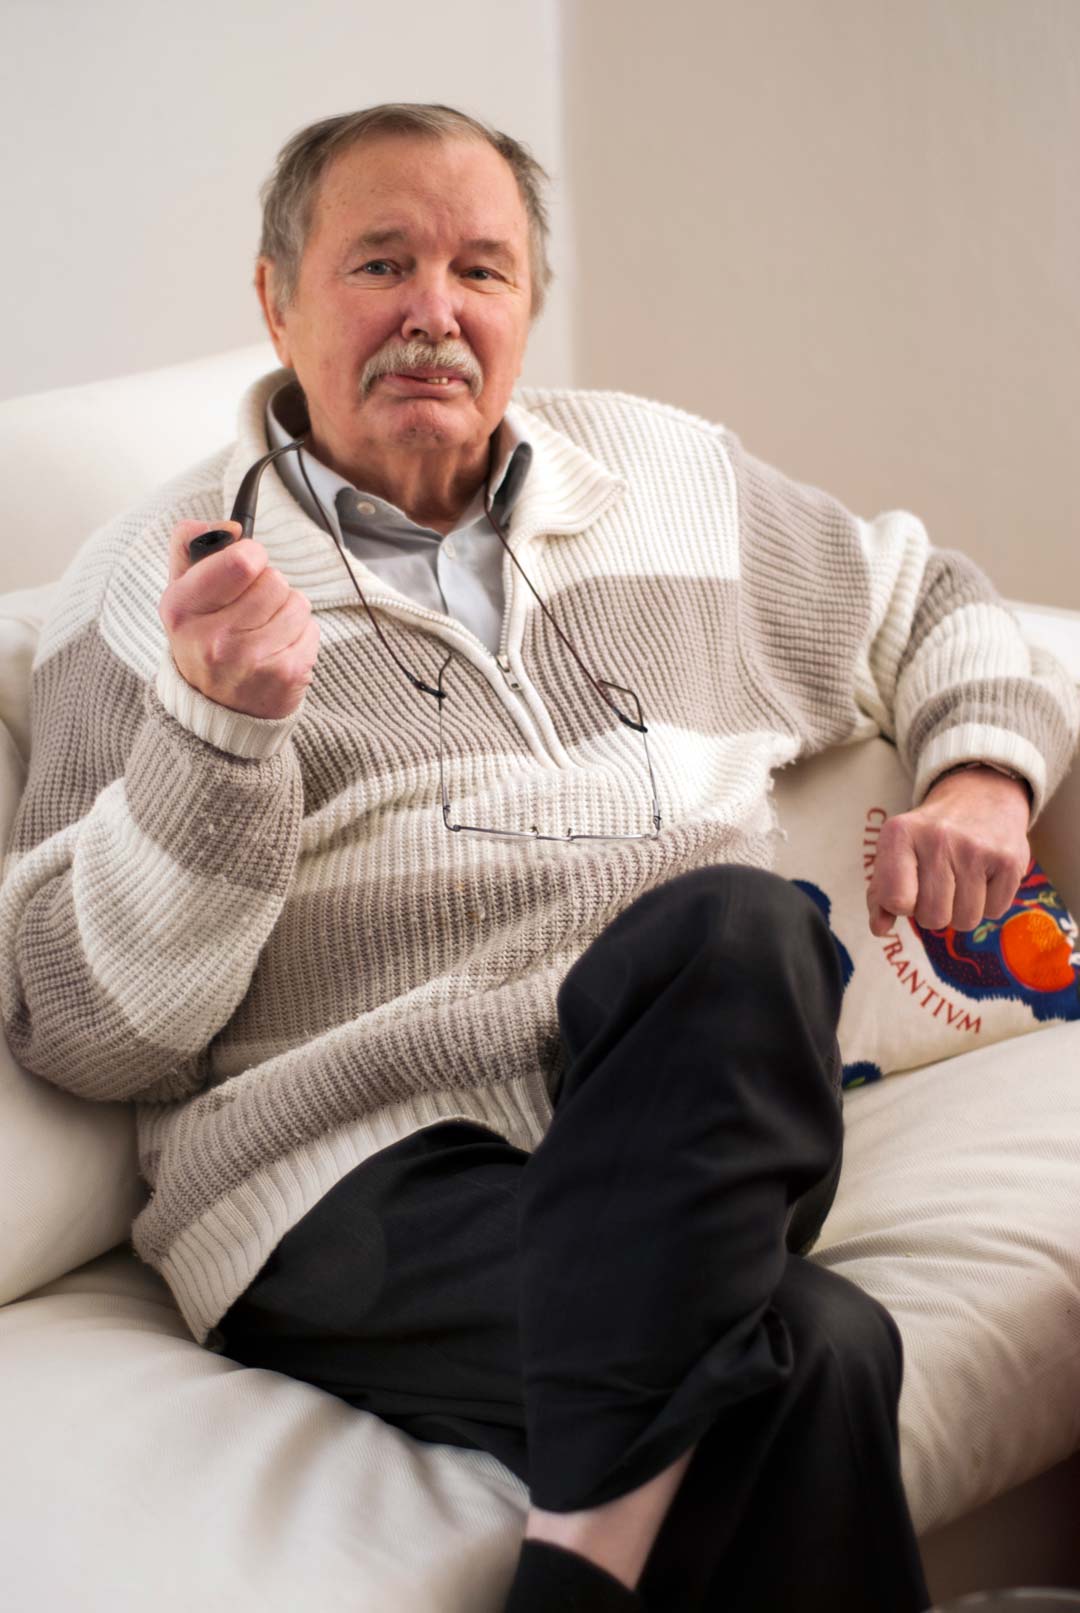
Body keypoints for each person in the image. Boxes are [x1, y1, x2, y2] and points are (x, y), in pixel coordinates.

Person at [1, 102, 1076, 1613]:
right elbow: (84, 1027)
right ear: (277, 299)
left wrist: (983, 778)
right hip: (357, 1178)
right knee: (823, 1352)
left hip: (694, 1133)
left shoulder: (670, 479)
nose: (434, 312)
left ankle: (582, 1549)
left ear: (529, 305)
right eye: (382, 262)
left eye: (481, 270)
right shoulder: (153, 585)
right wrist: (216, 738)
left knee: (742, 928)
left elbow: (931, 601)